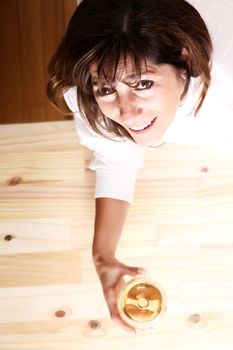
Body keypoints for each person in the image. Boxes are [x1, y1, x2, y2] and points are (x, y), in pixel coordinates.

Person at [47, 0, 233, 333]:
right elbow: (115, 154)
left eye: (143, 84)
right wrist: (103, 255)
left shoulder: (226, 89)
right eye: (107, 89)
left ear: (184, 58)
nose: (127, 112)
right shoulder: (94, 86)